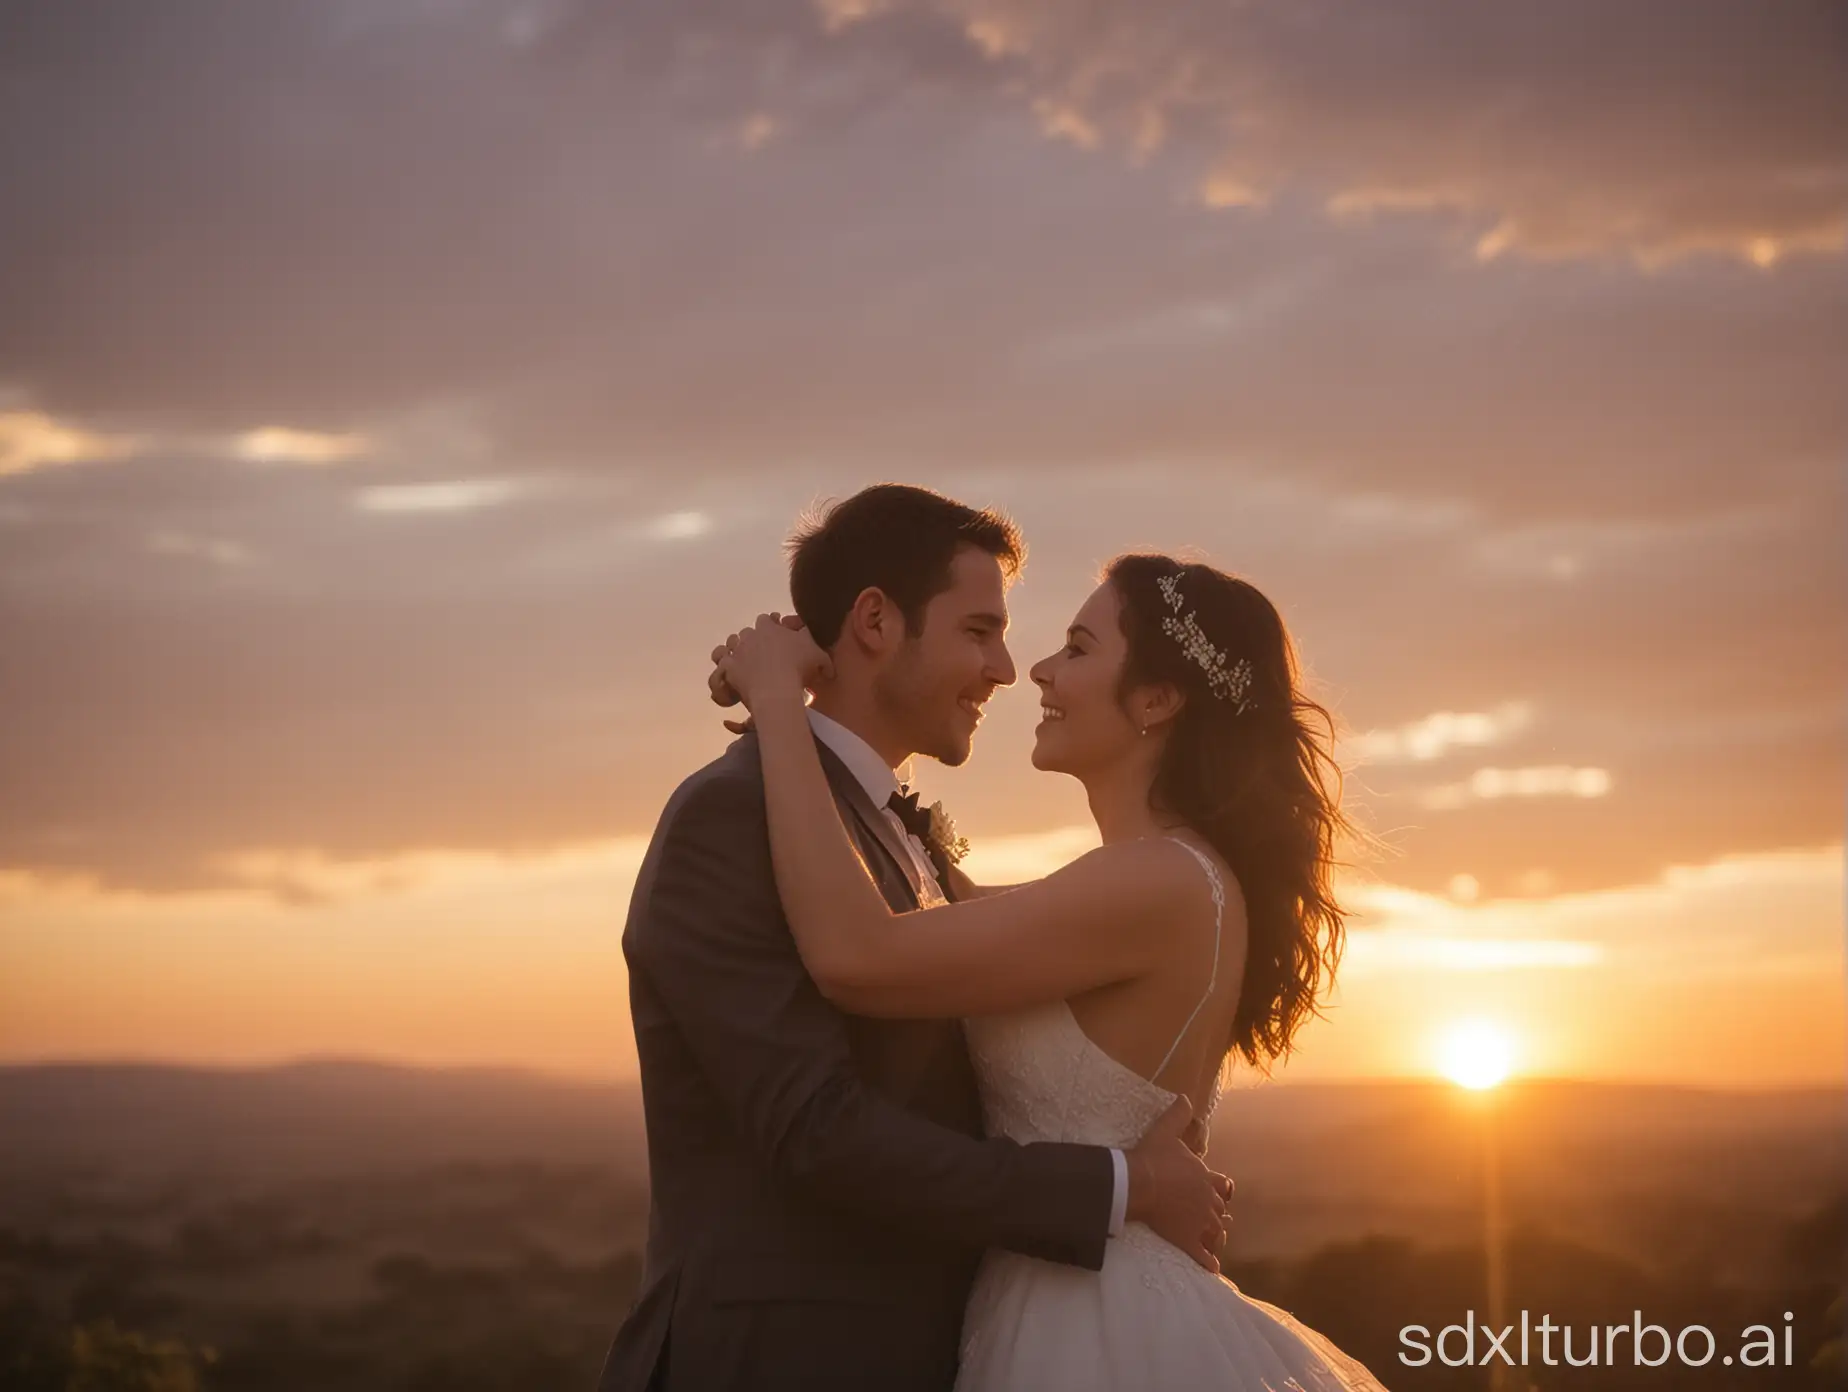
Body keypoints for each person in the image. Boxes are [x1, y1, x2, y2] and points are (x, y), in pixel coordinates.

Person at [712, 534, 1391, 1390]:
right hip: (1052, 1299)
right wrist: (838, 698)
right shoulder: (1140, 880)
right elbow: (943, 904)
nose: (1034, 670)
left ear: (1155, 699)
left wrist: (778, 706)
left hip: (1093, 1331)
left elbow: (858, 953)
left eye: (1077, 648)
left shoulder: (1159, 882)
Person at [596, 485, 1233, 1392]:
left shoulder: (894, 832)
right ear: (874, 622)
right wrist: (1117, 1186)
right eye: (979, 631)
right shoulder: (730, 816)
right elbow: (815, 1128)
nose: (1007, 669)